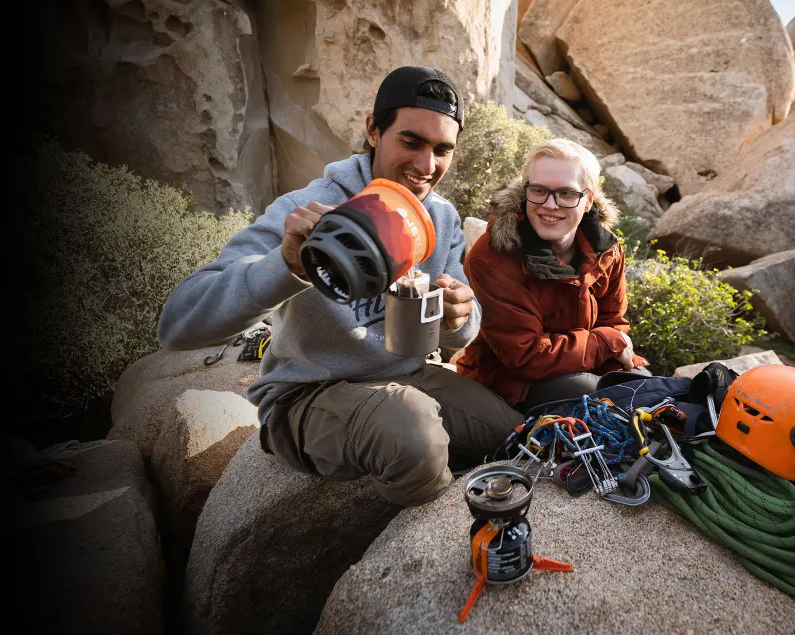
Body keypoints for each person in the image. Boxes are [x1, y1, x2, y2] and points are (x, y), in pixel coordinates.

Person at [156, 66, 523, 510]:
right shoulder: (306, 210)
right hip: (306, 396)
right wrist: (288, 265)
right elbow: (177, 324)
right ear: (373, 131)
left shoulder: (439, 218)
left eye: (442, 150)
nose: (428, 166)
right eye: (411, 142)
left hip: (406, 378)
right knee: (413, 433)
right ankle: (427, 541)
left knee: (518, 436)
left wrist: (459, 317)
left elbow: (460, 330)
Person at [455, 138, 651, 414]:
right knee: (596, 396)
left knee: (646, 390)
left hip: (578, 364)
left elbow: (613, 322)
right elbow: (526, 356)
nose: (549, 205)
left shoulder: (606, 248)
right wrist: (608, 342)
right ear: (526, 191)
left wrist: (612, 349)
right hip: (506, 384)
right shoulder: (493, 257)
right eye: (539, 190)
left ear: (588, 200)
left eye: (566, 194)